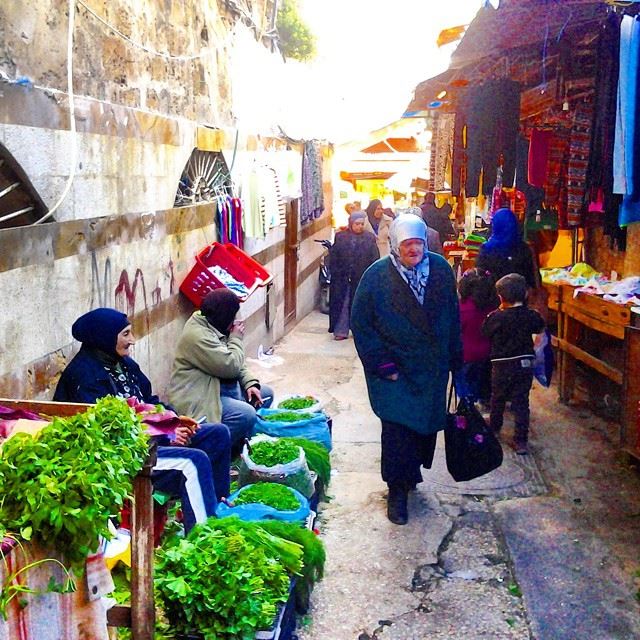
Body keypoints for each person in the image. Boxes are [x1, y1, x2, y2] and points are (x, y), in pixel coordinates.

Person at [54, 308, 231, 533]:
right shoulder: (84, 377)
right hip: (119, 457)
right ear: (104, 336)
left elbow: (150, 400)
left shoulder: (124, 364)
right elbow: (109, 432)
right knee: (192, 462)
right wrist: (166, 434)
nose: (133, 340)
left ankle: (216, 508)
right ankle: (206, 537)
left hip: (147, 442)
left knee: (218, 434)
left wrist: (174, 420)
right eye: (126, 334)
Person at [351, 213, 464, 525]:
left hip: (430, 369)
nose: (414, 249)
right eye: (407, 244)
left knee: (423, 430)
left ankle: (411, 474)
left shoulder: (440, 269)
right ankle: (397, 491)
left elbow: (453, 318)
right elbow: (361, 323)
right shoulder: (376, 276)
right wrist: (380, 363)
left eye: (418, 242)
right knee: (398, 430)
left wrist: (457, 362)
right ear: (394, 245)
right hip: (395, 371)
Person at [168, 288, 274, 450]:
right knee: (245, 414)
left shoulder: (213, 324)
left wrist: (250, 383)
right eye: (233, 316)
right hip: (201, 397)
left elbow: (235, 360)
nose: (236, 321)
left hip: (217, 386)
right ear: (225, 317)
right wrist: (237, 338)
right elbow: (230, 366)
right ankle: (213, 449)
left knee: (264, 394)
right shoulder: (197, 336)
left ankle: (240, 445)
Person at [482, 273, 545, 455]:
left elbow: (485, 332)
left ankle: (494, 426)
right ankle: (520, 441)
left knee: (498, 396)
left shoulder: (496, 317)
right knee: (521, 402)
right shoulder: (531, 315)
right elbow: (540, 326)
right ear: (525, 295)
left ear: (500, 297)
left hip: (501, 365)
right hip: (524, 364)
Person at [328, 210, 379, 340]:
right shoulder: (341, 237)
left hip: (361, 277)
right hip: (342, 278)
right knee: (342, 304)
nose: (359, 227)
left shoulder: (369, 238)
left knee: (360, 306)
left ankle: (359, 331)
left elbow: (374, 258)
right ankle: (341, 331)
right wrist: (335, 272)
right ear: (351, 223)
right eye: (357, 224)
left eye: (362, 224)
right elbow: (334, 257)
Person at [458, 268, 499, 407]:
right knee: (484, 382)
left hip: (466, 355)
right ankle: (484, 401)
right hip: (489, 353)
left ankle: (468, 408)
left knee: (466, 386)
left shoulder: (461, 308)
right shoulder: (495, 307)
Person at [475, 208, 538, 288]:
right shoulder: (524, 249)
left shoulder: (486, 250)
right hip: (520, 297)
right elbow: (532, 279)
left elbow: (480, 279)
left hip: (493, 297)